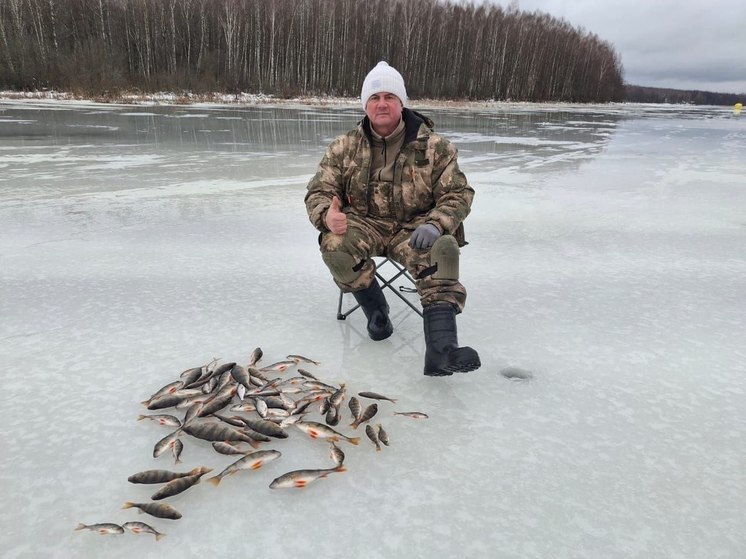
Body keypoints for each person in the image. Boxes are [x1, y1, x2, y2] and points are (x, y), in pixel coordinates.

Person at [305, 61, 480, 377]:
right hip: (364, 224)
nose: (382, 103)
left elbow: (459, 194)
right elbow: (318, 191)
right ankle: (377, 313)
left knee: (443, 248)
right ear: (366, 105)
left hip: (416, 229)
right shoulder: (343, 148)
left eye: (389, 96)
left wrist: (436, 223)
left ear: (402, 103)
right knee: (334, 243)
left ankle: (441, 351)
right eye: (374, 98)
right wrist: (327, 216)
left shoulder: (437, 148)